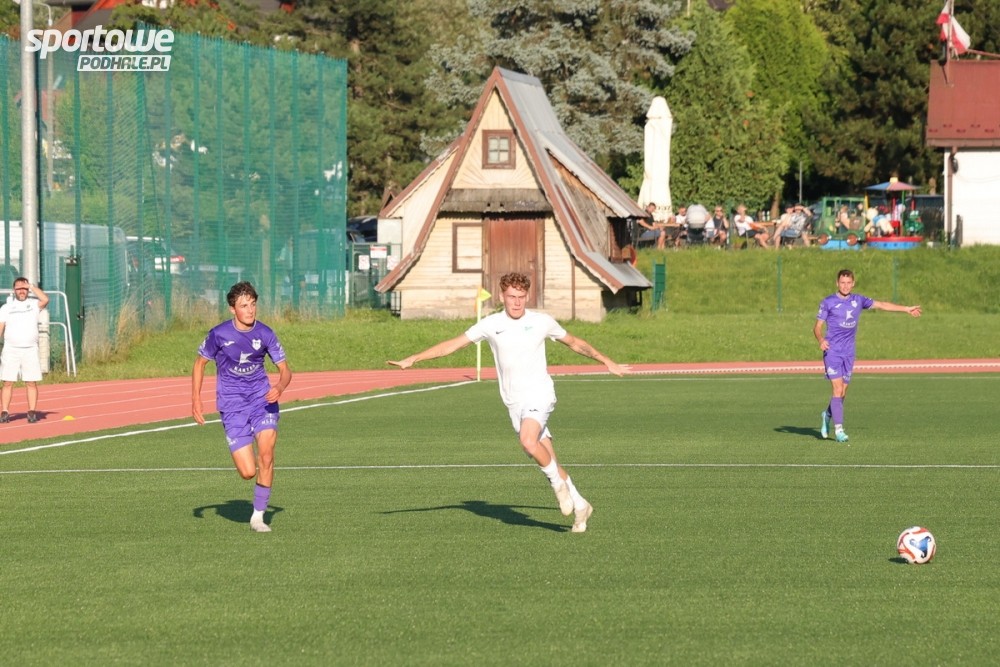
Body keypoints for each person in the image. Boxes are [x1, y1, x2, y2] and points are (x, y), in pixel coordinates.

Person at [388, 272, 630, 533]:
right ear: (502, 296)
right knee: (547, 458)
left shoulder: (541, 322)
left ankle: (558, 487)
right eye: (512, 296)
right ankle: (581, 504)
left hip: (540, 393)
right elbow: (452, 345)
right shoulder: (490, 324)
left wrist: (606, 361)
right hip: (514, 403)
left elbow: (574, 343)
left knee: (528, 441)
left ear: (527, 296)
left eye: (521, 297)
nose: (517, 302)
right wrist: (414, 358)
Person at [192, 281, 292, 533]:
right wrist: (196, 399)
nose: (250, 310)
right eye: (244, 305)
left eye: (253, 304)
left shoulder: (266, 333)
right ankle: (256, 487)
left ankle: (258, 516)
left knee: (266, 455)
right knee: (247, 472)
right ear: (232, 309)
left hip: (262, 401)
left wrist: (279, 387)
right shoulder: (219, 334)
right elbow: (200, 363)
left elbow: (285, 370)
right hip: (232, 405)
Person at [813, 269, 921, 443]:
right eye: (842, 282)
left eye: (848, 283)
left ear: (853, 283)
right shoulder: (828, 302)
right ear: (837, 283)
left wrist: (906, 309)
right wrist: (820, 339)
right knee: (837, 390)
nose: (845, 286)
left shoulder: (859, 300)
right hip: (832, 351)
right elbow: (817, 327)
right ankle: (839, 430)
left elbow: (882, 305)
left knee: (842, 393)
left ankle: (827, 415)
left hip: (849, 352)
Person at [0, 277, 49, 423]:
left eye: (24, 288)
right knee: (7, 382)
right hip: (10, 349)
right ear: (14, 290)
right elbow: (1, 327)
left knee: (31, 382)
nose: (22, 291)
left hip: (30, 349)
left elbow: (45, 299)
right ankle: (4, 412)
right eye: (19, 288)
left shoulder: (34, 304)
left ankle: (32, 412)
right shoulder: (6, 308)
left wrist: (32, 286)